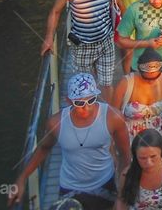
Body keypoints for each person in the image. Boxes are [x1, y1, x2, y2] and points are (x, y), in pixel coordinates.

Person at [9, 73, 130, 210]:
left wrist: (122, 193)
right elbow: (44, 148)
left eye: (91, 100)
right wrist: (22, 178)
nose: (86, 107)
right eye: (79, 103)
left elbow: (125, 155)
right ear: (68, 101)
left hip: (104, 182)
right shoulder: (56, 123)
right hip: (70, 187)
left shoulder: (113, 117)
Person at [41, 0, 118, 104]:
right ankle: (85, 113)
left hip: (106, 41)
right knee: (83, 85)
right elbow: (55, 11)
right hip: (83, 45)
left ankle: (109, 113)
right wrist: (49, 37)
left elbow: (116, 3)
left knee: (107, 83)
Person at [112, 49, 162, 156]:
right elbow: (113, 115)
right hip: (131, 135)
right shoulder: (125, 83)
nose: (151, 82)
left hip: (158, 133)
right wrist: (112, 148)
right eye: (147, 79)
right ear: (140, 71)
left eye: (155, 78)